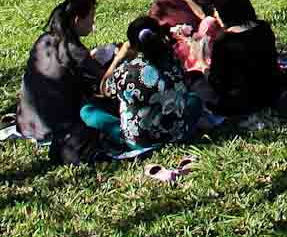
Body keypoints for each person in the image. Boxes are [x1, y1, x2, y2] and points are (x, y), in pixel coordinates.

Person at [17, 0, 114, 161]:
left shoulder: (44, 40)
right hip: (54, 128)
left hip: (26, 123)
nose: (93, 23)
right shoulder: (74, 50)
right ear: (77, 20)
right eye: (91, 17)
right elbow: (108, 80)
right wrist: (120, 56)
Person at [85, 16, 205, 150]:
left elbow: (104, 90)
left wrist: (118, 58)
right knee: (194, 100)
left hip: (139, 142)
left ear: (133, 44)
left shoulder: (127, 71)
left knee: (87, 111)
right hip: (176, 133)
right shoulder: (172, 60)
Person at [200, 0, 283, 116]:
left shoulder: (224, 42)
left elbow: (218, 82)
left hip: (241, 103)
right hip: (272, 92)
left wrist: (203, 66)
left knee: (197, 85)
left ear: (225, 11)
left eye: (216, 9)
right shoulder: (263, 27)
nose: (214, 14)